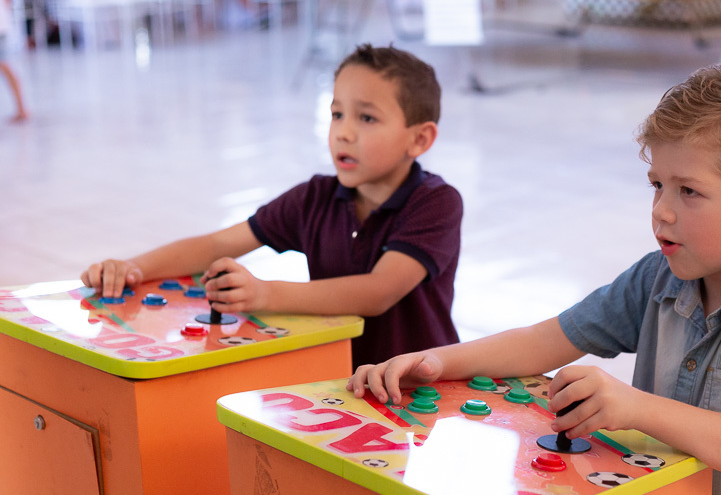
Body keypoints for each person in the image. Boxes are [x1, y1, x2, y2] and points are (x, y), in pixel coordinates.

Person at [348, 62, 721, 495]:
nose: (661, 211)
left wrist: (634, 407)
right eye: (657, 185)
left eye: (688, 191)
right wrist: (433, 361)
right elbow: (546, 339)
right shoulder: (659, 276)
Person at [81, 43, 463, 367]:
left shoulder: (436, 203)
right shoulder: (315, 197)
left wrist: (264, 294)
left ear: (419, 140)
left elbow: (378, 292)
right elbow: (216, 245)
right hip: (342, 379)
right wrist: (132, 267)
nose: (343, 132)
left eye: (366, 117)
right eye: (337, 114)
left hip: (421, 388)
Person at [0, 0, 28, 121]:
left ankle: (22, 108)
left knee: (3, 65)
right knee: (4, 65)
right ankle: (21, 108)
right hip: (2, 22)